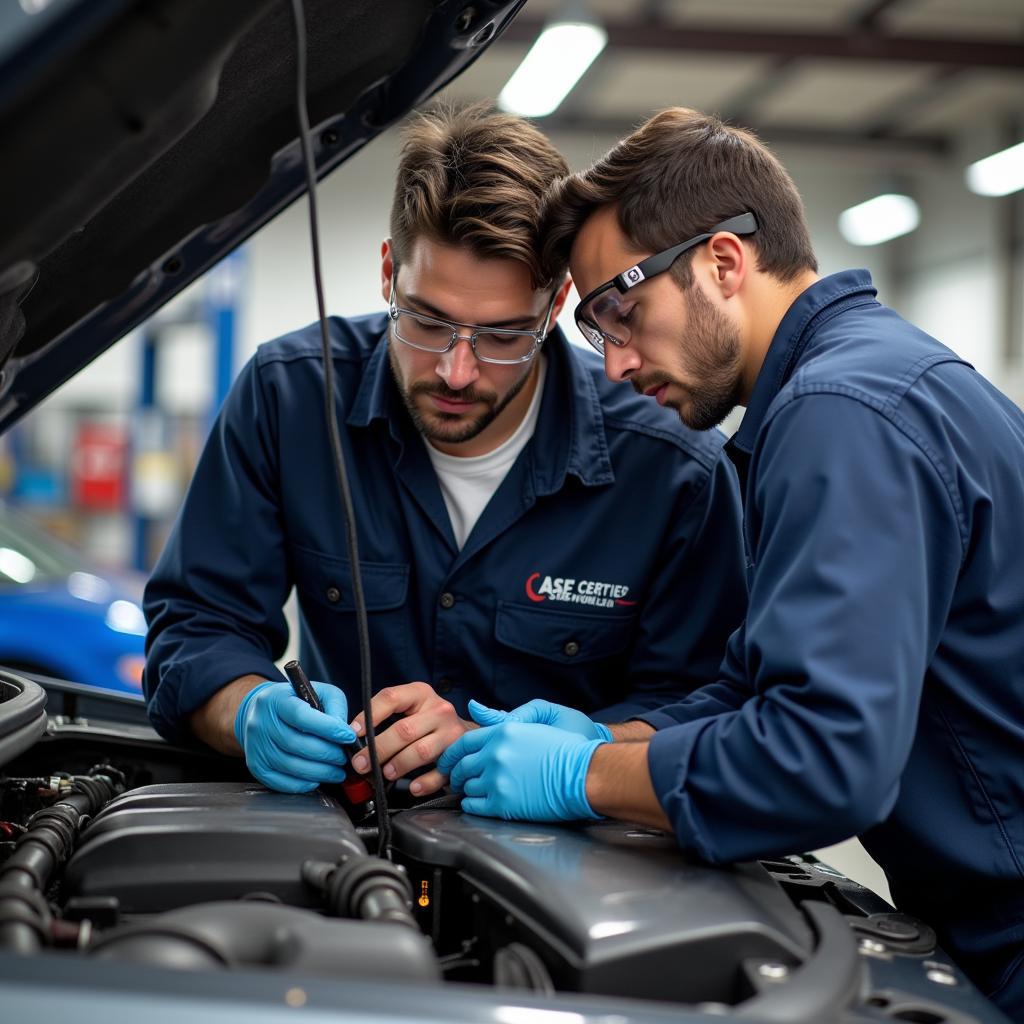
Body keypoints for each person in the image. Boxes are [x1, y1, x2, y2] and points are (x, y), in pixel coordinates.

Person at [437, 107, 1024, 1016]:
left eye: (622, 314)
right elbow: (763, 687)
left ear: (721, 261)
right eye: (596, 334)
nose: (618, 364)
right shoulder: (859, 385)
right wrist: (610, 739)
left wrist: (582, 780)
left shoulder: (843, 416)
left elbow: (821, 762)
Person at [142, 103, 746, 800]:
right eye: (428, 320)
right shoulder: (290, 400)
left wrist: (566, 760)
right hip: (339, 845)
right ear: (387, 273)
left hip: (576, 877)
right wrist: (247, 710)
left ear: (554, 309)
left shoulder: (669, 467)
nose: (458, 371)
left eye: (503, 335)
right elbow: (195, 629)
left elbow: (701, 711)